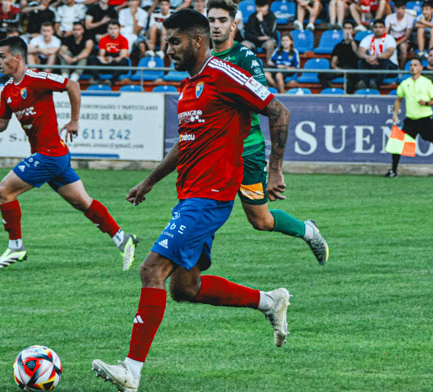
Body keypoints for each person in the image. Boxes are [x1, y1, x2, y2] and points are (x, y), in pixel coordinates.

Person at [91, 10, 303, 391]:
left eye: (175, 41)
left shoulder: (224, 75)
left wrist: (275, 169)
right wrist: (149, 181)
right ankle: (270, 302)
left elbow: (278, 110)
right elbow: (184, 145)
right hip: (189, 196)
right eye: (166, 41)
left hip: (210, 197)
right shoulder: (189, 88)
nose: (167, 49)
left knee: (151, 270)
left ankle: (131, 371)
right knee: (184, 289)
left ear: (198, 41)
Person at [0, 36, 139, 269]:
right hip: (53, 156)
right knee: (82, 202)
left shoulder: (36, 78)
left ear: (17, 57)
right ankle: (123, 239)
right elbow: (2, 124)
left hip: (50, 154)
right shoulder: (7, 91)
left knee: (5, 191)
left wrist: (74, 121)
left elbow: (72, 85)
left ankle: (15, 247)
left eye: (1, 56)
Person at [208, 0, 327, 262]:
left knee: (260, 220)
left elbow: (273, 108)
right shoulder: (203, 59)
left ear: (234, 25)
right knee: (201, 208)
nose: (216, 26)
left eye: (222, 20)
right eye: (211, 20)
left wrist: (275, 168)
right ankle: (189, 266)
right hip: (217, 154)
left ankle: (307, 230)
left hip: (247, 151)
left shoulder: (245, 58)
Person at [356, 19, 397, 90]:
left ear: (384, 28)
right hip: (372, 64)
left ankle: (375, 84)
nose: (378, 29)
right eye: (376, 27)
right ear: (373, 29)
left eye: (380, 27)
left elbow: (389, 53)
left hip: (390, 67)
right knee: (361, 61)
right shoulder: (367, 38)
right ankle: (364, 83)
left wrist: (376, 57)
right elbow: (360, 52)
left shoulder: (389, 38)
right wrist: (367, 57)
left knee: (384, 60)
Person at [87, 20, 130, 85]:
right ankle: (97, 79)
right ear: (107, 29)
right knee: (91, 58)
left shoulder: (124, 40)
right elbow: (101, 54)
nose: (113, 31)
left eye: (115, 28)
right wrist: (106, 59)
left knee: (124, 61)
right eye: (111, 28)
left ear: (119, 29)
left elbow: (123, 55)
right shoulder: (103, 39)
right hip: (106, 62)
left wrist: (113, 60)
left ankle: (111, 81)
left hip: (116, 63)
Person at [320, 20, 359, 92]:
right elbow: (333, 62)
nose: (347, 31)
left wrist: (351, 41)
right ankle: (330, 93)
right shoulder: (338, 46)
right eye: (345, 28)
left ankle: (348, 96)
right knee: (322, 75)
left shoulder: (357, 43)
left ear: (353, 31)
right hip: (341, 69)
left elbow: (357, 53)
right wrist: (337, 68)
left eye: (349, 28)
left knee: (355, 77)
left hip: (353, 70)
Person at [384, 1, 413, 70]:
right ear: (394, 8)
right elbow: (386, 32)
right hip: (391, 38)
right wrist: (390, 42)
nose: (400, 11)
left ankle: (401, 69)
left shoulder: (409, 18)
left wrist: (396, 43)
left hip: (403, 39)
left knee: (403, 47)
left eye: (402, 8)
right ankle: (390, 68)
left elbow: (407, 35)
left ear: (405, 8)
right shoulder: (389, 17)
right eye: (398, 8)